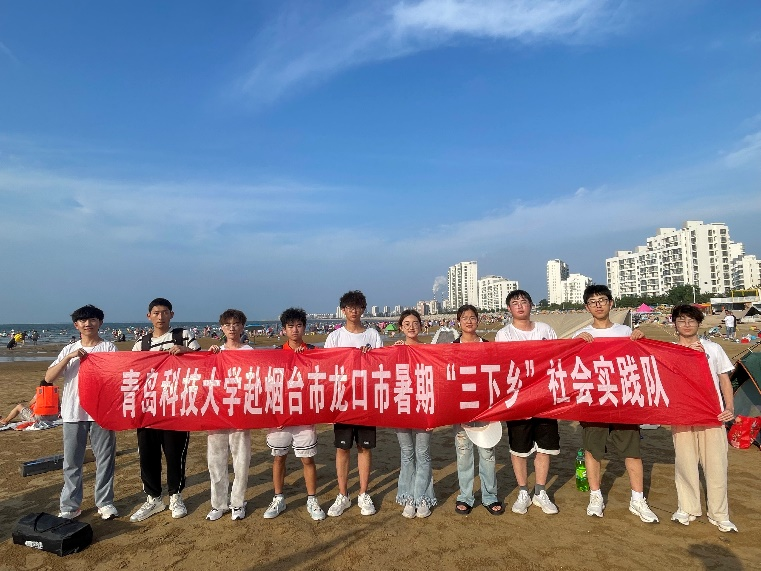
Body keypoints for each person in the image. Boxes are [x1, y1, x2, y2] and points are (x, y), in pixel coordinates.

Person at [573, 284, 658, 523]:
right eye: (593, 301)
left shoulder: (625, 331)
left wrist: (640, 339)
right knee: (593, 450)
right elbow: (570, 365)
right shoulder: (581, 334)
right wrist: (576, 343)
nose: (598, 305)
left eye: (602, 300)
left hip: (623, 399)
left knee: (632, 450)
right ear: (587, 307)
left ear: (611, 303)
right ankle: (595, 496)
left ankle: (637, 499)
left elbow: (640, 360)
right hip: (594, 400)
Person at [129, 298, 201, 522]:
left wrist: (186, 351)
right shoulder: (141, 343)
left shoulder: (183, 335)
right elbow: (131, 371)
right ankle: (153, 499)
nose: (160, 317)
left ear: (172, 314)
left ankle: (176, 496)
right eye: (156, 313)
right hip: (148, 408)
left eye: (165, 312)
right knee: (147, 455)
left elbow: (203, 363)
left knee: (175, 453)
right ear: (149, 316)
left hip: (176, 407)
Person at [45, 305, 119, 520]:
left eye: (93, 319)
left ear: (100, 322)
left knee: (105, 460)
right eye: (83, 321)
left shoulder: (109, 347)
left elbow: (116, 376)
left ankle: (105, 502)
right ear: (76, 325)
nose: (88, 324)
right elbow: (49, 378)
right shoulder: (69, 349)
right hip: (72, 412)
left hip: (101, 413)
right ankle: (70, 506)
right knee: (71, 462)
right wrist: (69, 358)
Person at [670, 304, 737, 532]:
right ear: (675, 324)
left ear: (699, 323)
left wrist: (729, 407)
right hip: (683, 414)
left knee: (716, 464)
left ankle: (719, 513)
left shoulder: (713, 348)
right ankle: (687, 507)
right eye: (681, 320)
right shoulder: (670, 350)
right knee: (685, 462)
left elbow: (724, 380)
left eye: (691, 320)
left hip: (712, 414)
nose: (686, 324)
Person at [495, 290, 559, 515]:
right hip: (518, 398)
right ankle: (523, 490)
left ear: (531, 305)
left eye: (524, 302)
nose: (520, 306)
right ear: (509, 309)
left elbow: (557, 356)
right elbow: (503, 364)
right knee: (519, 447)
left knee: (544, 446)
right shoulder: (504, 334)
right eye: (515, 303)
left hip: (544, 397)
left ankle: (540, 491)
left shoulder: (545, 330)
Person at [261, 307, 326, 521]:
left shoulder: (314, 352)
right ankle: (278, 497)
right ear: (284, 329)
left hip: (304, 416)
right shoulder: (276, 353)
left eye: (299, 325)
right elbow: (267, 383)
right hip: (280, 416)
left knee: (307, 459)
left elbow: (324, 379)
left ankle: (312, 499)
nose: (295, 330)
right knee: (279, 457)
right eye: (291, 326)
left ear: (304, 328)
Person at [323, 290, 382, 517]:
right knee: (342, 448)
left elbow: (382, 366)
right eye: (349, 307)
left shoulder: (373, 335)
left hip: (366, 400)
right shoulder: (334, 337)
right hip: (342, 400)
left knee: (364, 447)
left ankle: (363, 493)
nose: (354, 311)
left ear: (363, 309)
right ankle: (343, 494)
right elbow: (326, 368)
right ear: (343, 310)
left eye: (358, 307)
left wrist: (370, 356)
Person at [452, 304, 503, 516]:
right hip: (461, 408)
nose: (469, 321)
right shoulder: (451, 349)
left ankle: (490, 495)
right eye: (464, 318)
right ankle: (465, 496)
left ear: (478, 320)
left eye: (472, 317)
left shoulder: (488, 347)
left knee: (487, 452)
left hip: (485, 409)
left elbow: (497, 376)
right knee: (464, 453)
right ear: (458, 322)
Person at [205, 309, 253, 522]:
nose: (232, 328)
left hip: (240, 411)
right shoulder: (216, 351)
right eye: (227, 324)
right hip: (217, 411)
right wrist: (210, 356)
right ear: (222, 328)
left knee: (241, 459)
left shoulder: (249, 351)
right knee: (216, 461)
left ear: (242, 326)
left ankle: (238, 502)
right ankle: (218, 504)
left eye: (236, 324)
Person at [392, 309, 436, 518]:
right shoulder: (395, 350)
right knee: (407, 453)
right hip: (401, 408)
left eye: (415, 323)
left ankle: (423, 497)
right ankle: (408, 497)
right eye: (407, 323)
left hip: (423, 407)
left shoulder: (428, 350)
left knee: (423, 454)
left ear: (421, 325)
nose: (411, 327)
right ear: (401, 327)